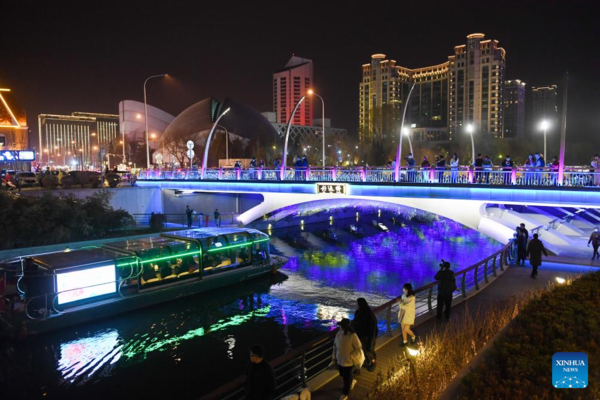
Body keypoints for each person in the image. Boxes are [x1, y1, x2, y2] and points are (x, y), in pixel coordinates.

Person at [332, 318, 361, 400]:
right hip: (340, 360)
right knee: (342, 375)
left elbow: (358, 347)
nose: (340, 326)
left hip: (348, 362)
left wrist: (351, 357)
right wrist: (335, 357)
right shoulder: (338, 334)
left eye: (341, 325)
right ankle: (351, 381)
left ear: (344, 326)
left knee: (346, 378)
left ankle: (345, 394)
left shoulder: (352, 336)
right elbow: (335, 345)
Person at [352, 298, 378, 372]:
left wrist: (371, 339)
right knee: (363, 350)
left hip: (367, 336)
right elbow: (355, 322)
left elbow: (372, 328)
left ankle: (372, 363)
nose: (356, 305)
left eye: (357, 304)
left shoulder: (369, 314)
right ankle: (367, 362)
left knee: (369, 349)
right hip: (360, 335)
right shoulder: (359, 312)